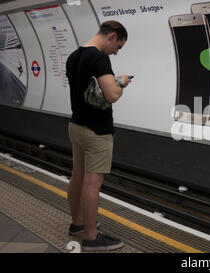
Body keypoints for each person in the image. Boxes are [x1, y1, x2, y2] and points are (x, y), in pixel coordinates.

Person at [65, 20, 131, 251]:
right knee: (92, 184)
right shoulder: (99, 58)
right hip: (97, 131)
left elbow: (87, 90)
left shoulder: (74, 56)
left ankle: (77, 224)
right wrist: (121, 82)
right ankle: (92, 237)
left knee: (78, 177)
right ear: (112, 36)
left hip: (77, 126)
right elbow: (111, 95)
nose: (116, 51)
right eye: (118, 46)